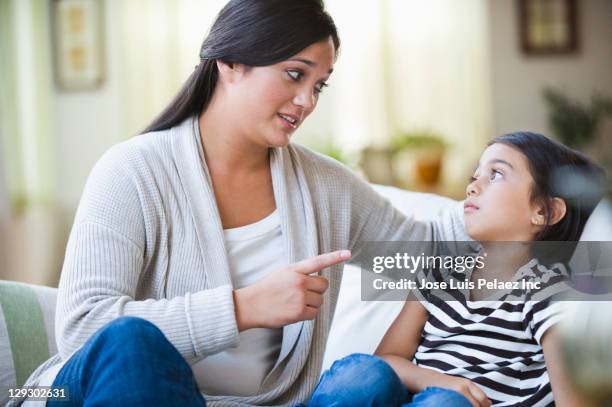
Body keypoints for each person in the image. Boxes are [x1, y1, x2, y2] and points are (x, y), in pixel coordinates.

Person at [11, 1, 468, 406]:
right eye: (295, 73)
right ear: (230, 62)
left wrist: (523, 209)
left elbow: (433, 255)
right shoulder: (132, 170)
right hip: (81, 390)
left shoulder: (327, 188)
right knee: (131, 341)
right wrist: (243, 308)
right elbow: (84, 331)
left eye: (319, 85)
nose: (307, 101)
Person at [312, 132, 606, 407]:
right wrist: (435, 380)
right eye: (474, 176)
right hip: (415, 396)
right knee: (364, 374)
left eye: (497, 174)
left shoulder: (548, 292)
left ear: (544, 211)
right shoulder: (439, 274)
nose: (472, 186)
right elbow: (386, 360)